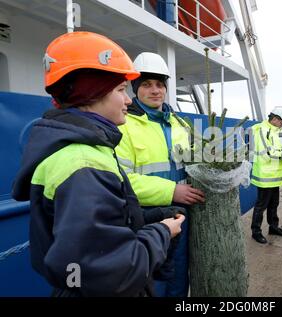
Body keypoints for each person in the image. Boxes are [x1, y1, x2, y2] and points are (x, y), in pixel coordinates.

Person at [12, 31, 185, 297]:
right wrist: (161, 231)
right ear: (91, 94)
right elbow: (115, 271)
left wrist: (150, 217)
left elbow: (96, 235)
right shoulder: (83, 164)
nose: (128, 100)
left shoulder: (80, 151)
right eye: (120, 90)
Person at [115, 52, 205, 297]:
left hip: (182, 217)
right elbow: (122, 180)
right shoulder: (123, 125)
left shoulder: (179, 124)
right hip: (147, 220)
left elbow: (194, 164)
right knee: (152, 282)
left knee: (178, 279)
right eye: (146, 84)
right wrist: (172, 191)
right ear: (135, 89)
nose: (154, 91)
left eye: (159, 84)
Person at [250, 107, 282, 244]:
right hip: (265, 177)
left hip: (273, 176)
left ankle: (273, 227)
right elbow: (268, 153)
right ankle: (256, 232)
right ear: (275, 119)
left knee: (274, 204)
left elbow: (274, 149)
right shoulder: (263, 130)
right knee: (261, 206)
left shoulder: (273, 132)